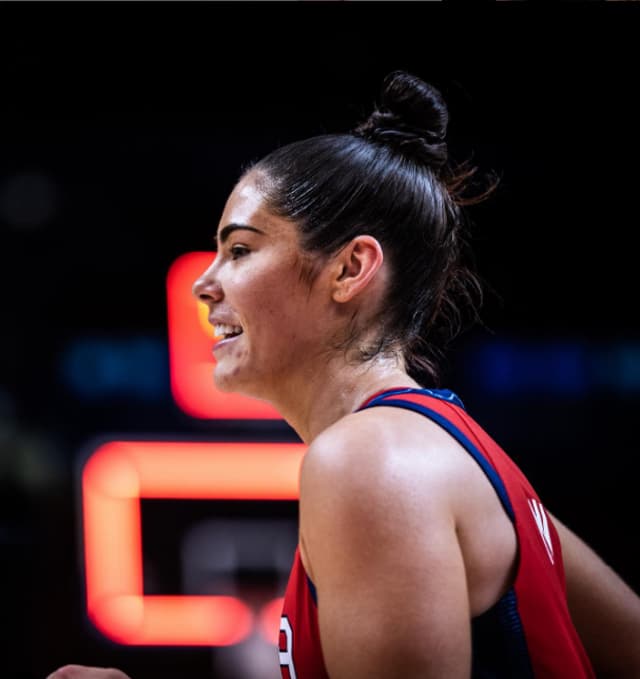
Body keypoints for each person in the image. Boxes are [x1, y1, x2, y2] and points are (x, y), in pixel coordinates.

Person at [47, 71, 640, 679]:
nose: (205, 284)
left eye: (242, 250)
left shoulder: (368, 463)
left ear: (351, 268)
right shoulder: (463, 458)